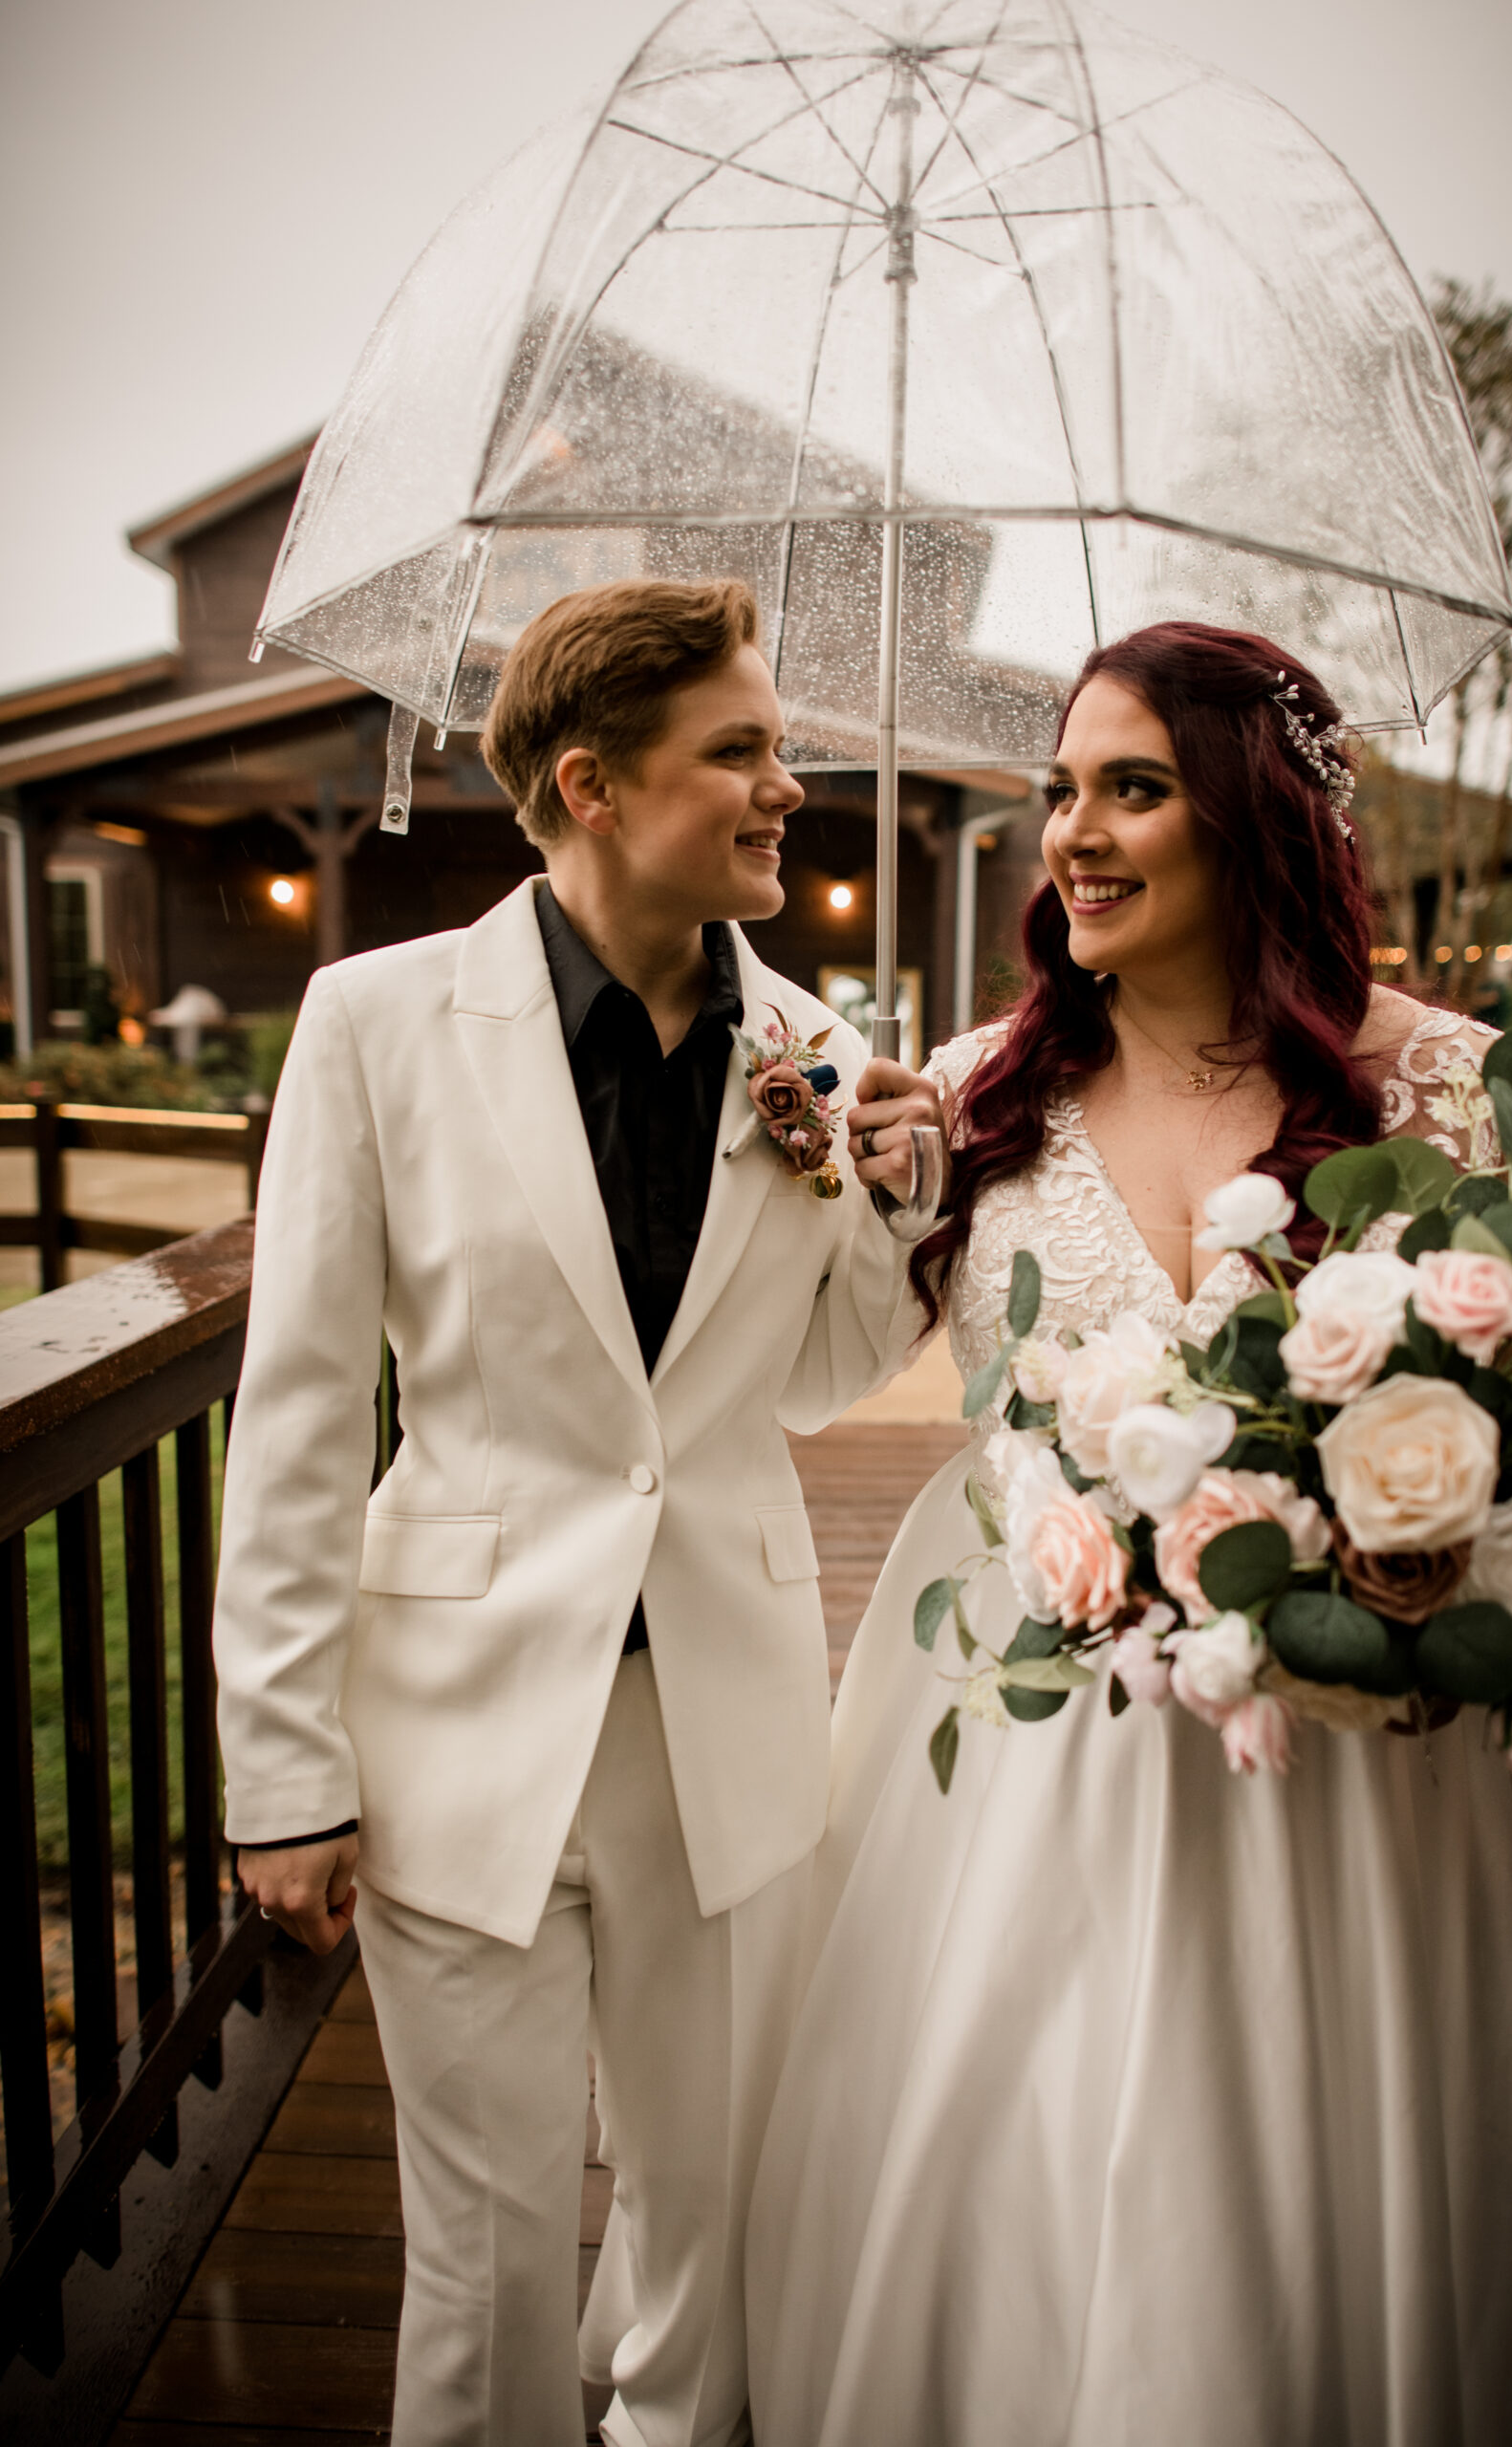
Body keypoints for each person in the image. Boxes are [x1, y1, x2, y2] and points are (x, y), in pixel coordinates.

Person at [745, 620, 1512, 2447]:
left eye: (1132, 787)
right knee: (1045, 2179)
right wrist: (828, 1189)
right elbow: (813, 1368)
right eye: (1061, 788)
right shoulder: (977, 1090)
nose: (1073, 830)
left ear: (1256, 822)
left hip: (1375, 1768)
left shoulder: (1456, 1088)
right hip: (1047, 1765)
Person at [212, 576, 945, 2447]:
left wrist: (899, 1205)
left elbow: (812, 1375)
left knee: (707, 2215)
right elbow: (297, 1414)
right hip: (460, 1725)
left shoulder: (810, 1043)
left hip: (728, 1716)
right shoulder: (375, 1022)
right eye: (743, 750)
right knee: (485, 2241)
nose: (787, 785)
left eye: (783, 745)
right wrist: (279, 1771)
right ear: (594, 781)